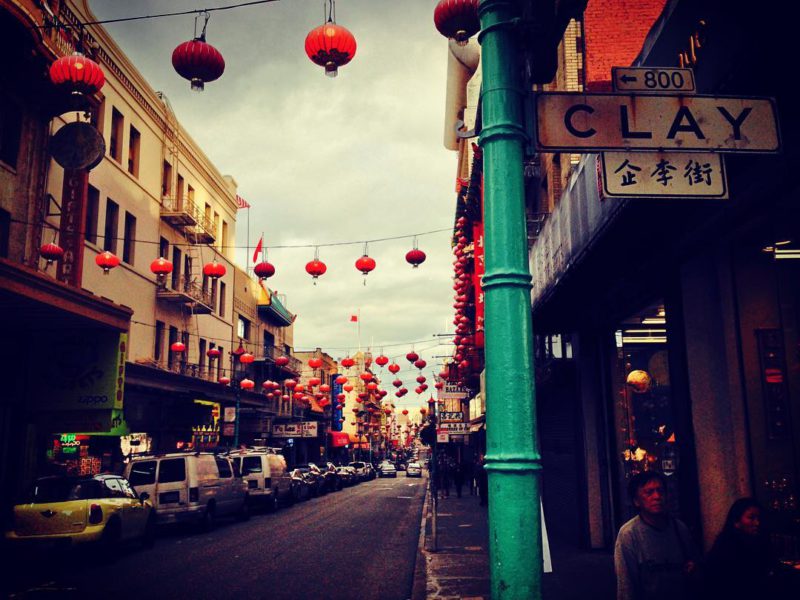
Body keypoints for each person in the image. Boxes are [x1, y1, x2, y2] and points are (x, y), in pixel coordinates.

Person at [614, 471, 699, 600]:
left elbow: (693, 564)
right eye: (649, 493)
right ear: (636, 501)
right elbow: (626, 585)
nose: (657, 496)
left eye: (660, 491)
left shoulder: (679, 528)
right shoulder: (629, 534)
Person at [703, 498, 781, 600]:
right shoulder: (728, 545)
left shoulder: (759, 540)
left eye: (758, 518)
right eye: (751, 518)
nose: (757, 523)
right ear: (736, 521)